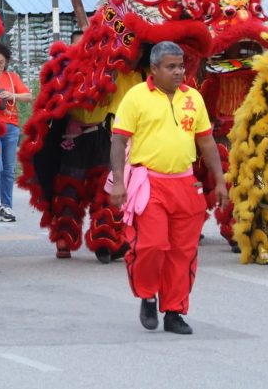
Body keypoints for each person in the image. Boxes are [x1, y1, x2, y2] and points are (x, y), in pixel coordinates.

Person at [110, 41, 226, 335]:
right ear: (154, 69)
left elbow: (207, 142)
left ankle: (174, 311)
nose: (178, 72)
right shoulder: (136, 97)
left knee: (182, 252)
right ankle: (147, 294)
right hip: (149, 183)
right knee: (150, 245)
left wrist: (220, 181)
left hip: (186, 184)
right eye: (171, 67)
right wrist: (120, 181)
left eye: (181, 66)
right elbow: (119, 141)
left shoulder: (194, 98)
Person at [0, 44, 30, 222]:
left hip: (11, 127)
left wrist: (11, 95)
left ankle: (7, 206)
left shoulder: (12, 78)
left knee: (9, 169)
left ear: (6, 62)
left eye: (1, 63)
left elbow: (28, 96)